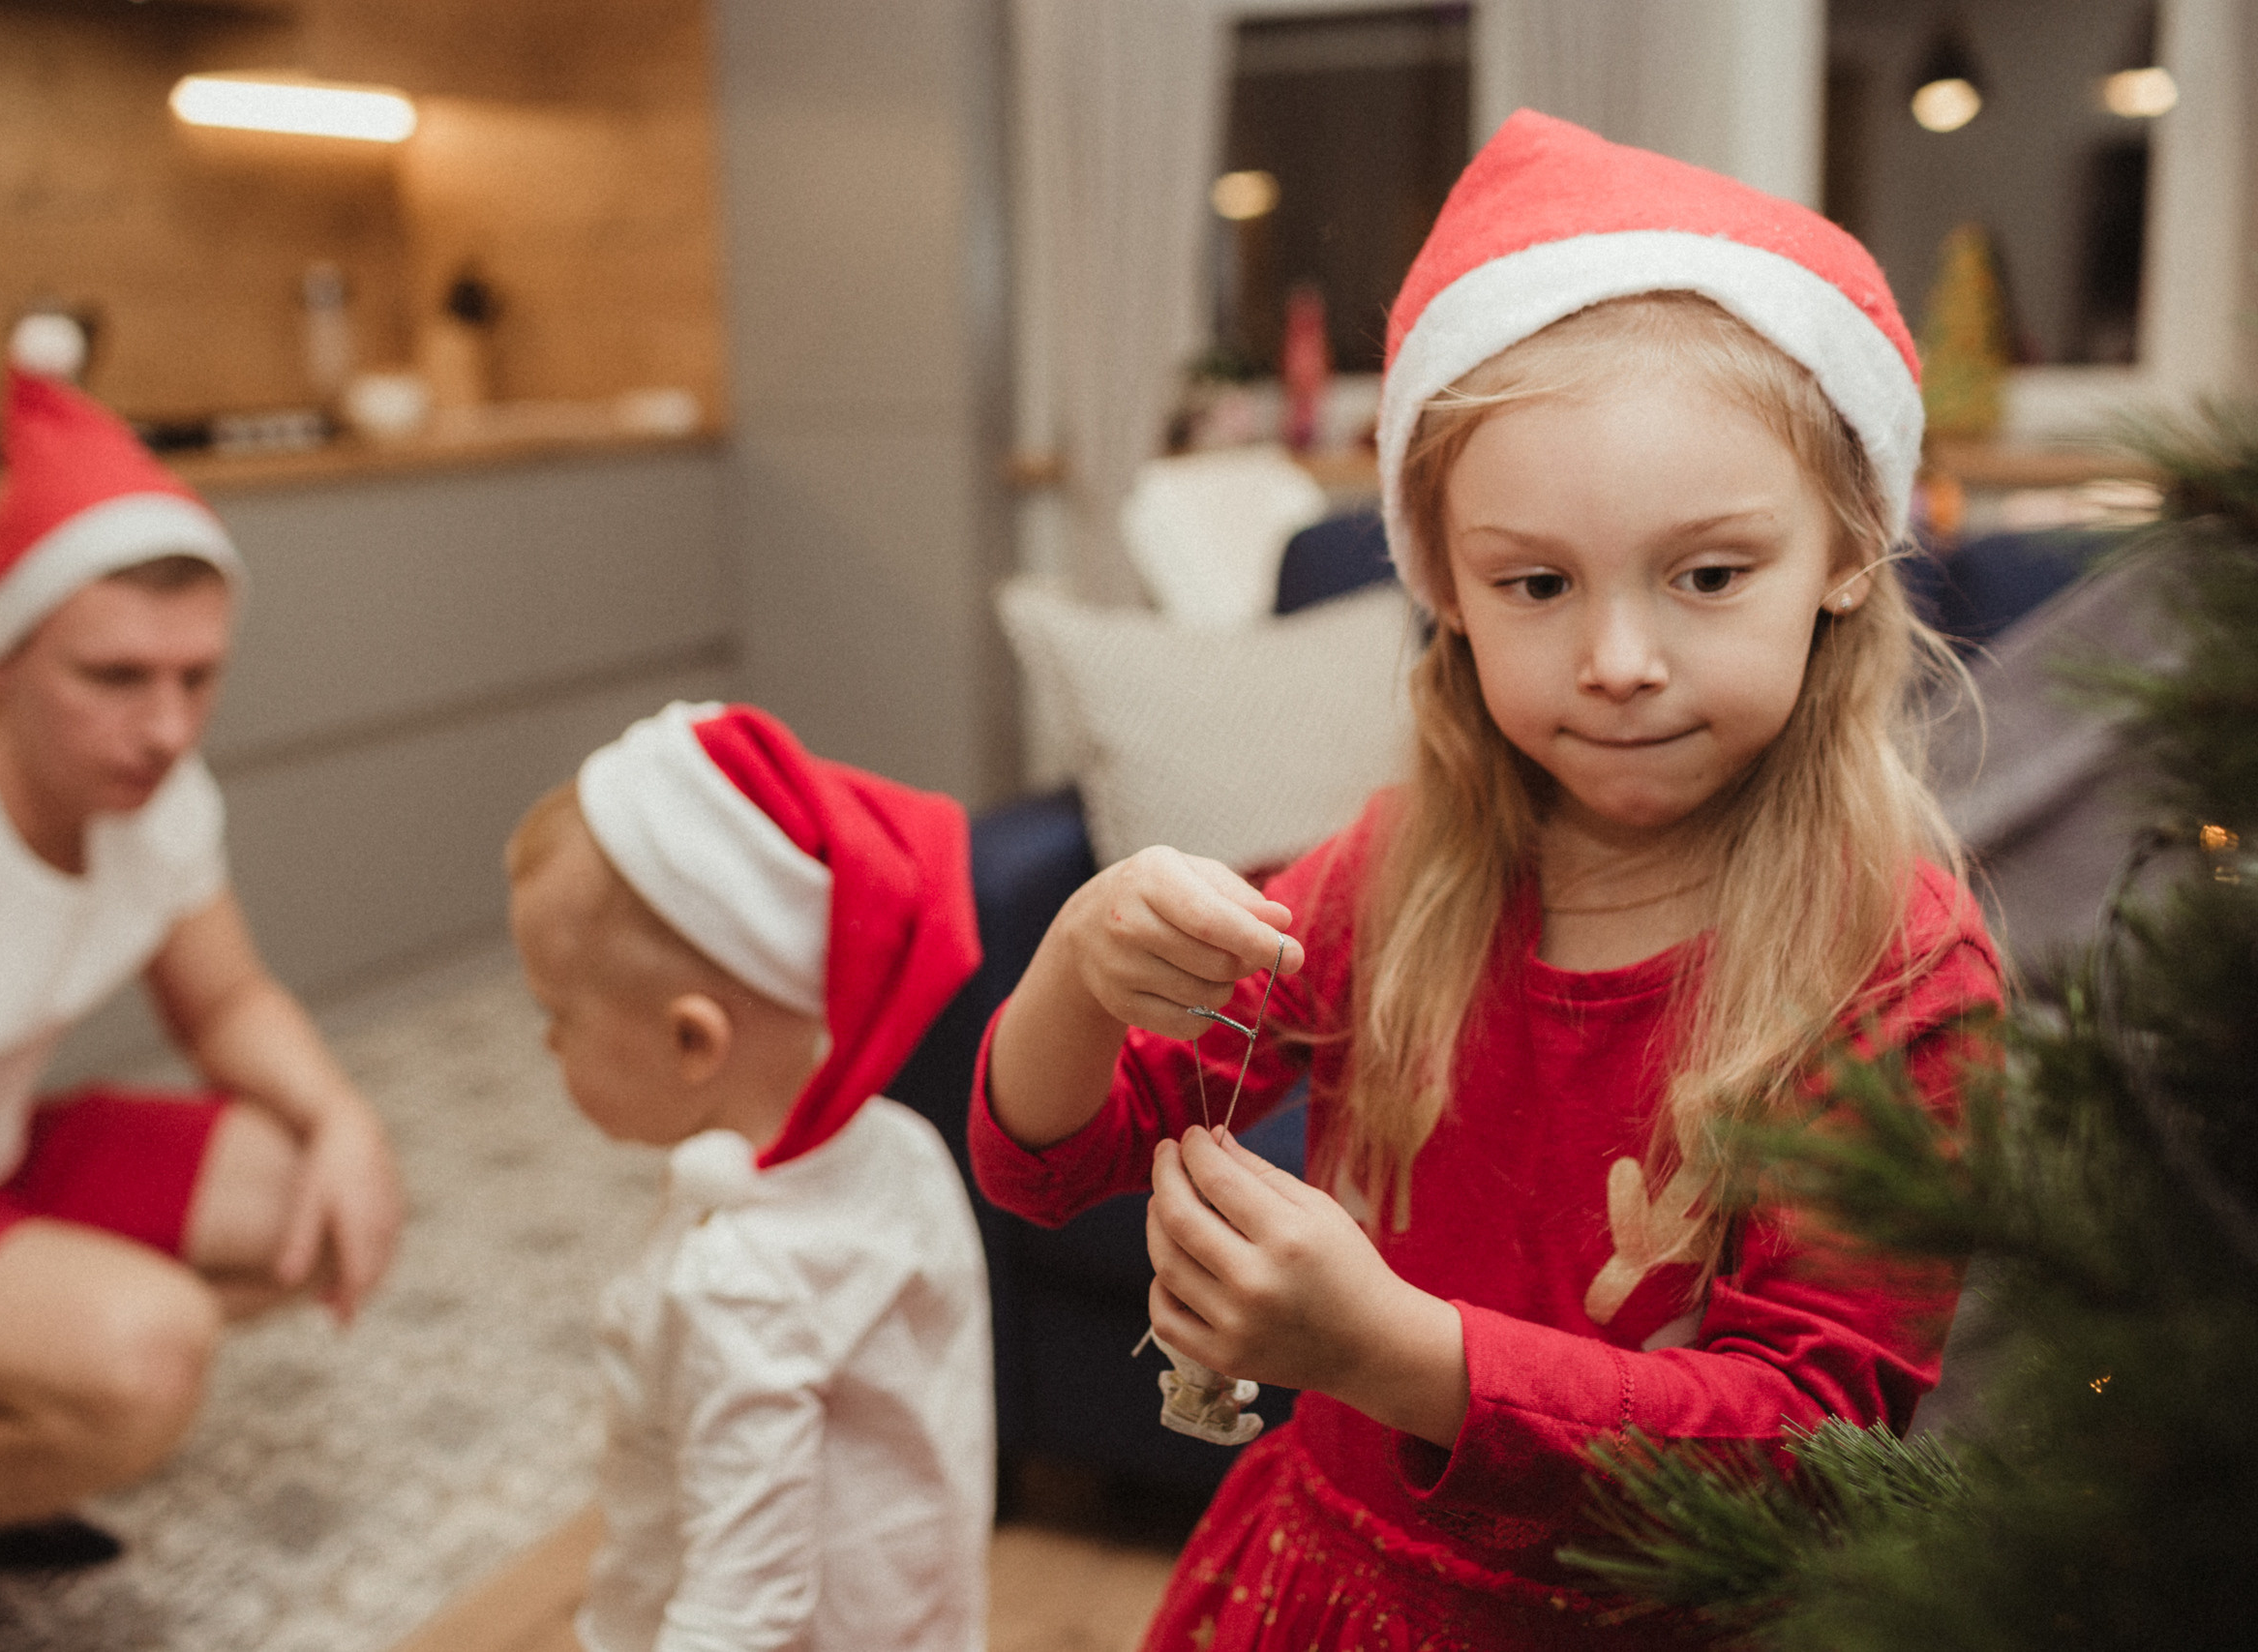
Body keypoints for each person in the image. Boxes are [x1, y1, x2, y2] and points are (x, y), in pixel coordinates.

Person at [970, 110, 2004, 1650]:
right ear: (1447, 584)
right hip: (1316, 1585)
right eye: (1538, 582)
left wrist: (1397, 1350)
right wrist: (1073, 968)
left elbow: (1815, 1463)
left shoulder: (1896, 964)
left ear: (1850, 545)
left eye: (1709, 574)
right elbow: (1047, 1160)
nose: (1622, 661)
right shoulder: (1394, 874)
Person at [0, 367, 404, 1652]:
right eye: (115, 676)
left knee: (314, 1199)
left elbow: (224, 997)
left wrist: (345, 1118)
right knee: (148, 1352)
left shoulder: (149, 792)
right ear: (1, 658)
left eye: (197, 676)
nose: (167, 728)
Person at [504, 702, 994, 1652]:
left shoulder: (743, 1282)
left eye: (557, 1012)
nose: (545, 1040)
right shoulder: (898, 1148)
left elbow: (741, 1609)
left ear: (693, 1039)